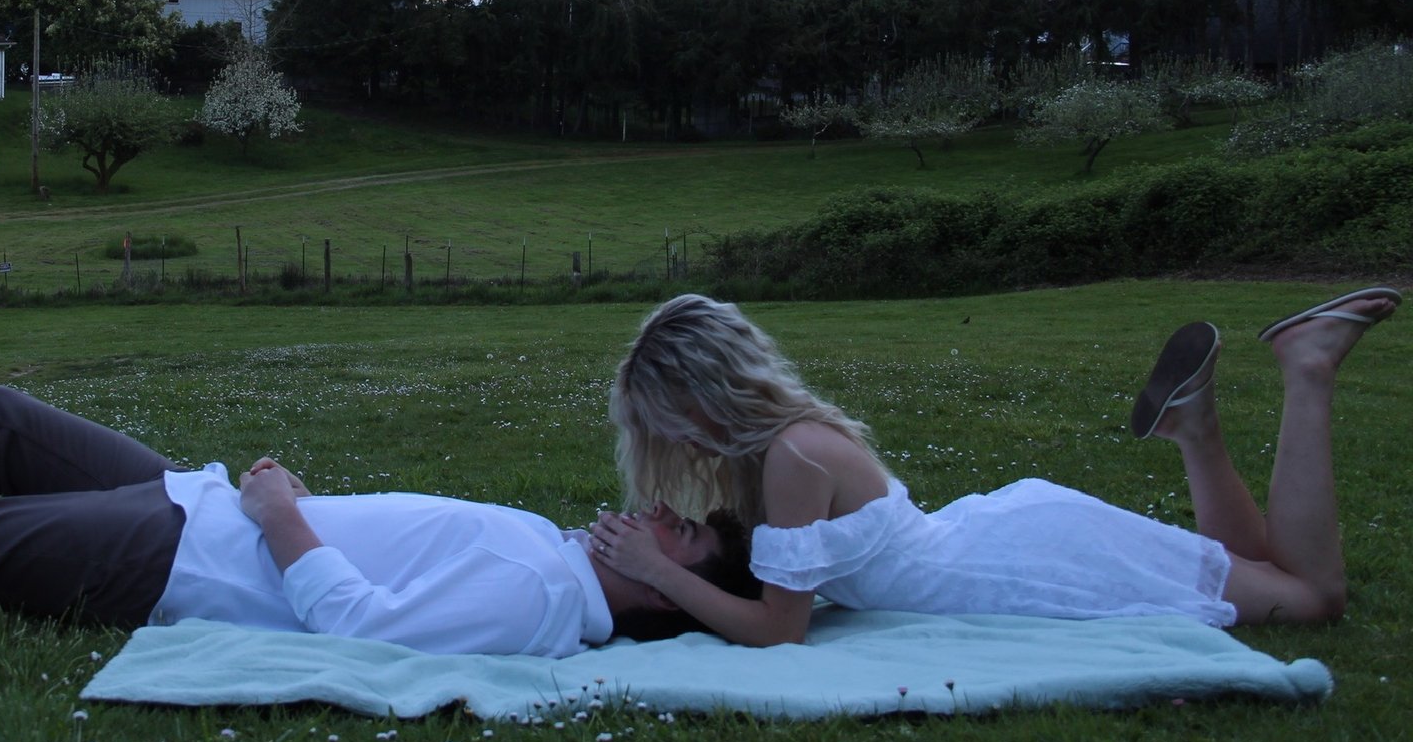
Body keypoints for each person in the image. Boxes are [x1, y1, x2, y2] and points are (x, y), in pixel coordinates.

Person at [0, 386, 753, 658]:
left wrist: (281, 521)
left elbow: (374, 636)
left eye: (681, 528)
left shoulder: (543, 602)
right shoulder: (551, 552)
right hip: (202, 502)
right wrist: (287, 507)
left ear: (678, 581)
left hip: (180, 556)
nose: (651, 508)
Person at [586, 287, 1401, 647]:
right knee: (1259, 572)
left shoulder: (793, 459)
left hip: (1027, 564)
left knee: (1313, 601)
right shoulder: (784, 448)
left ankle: (1309, 367)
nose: (680, 445)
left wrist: (661, 570)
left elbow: (776, 631)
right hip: (1007, 540)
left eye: (672, 421)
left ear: (708, 390)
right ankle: (1192, 427)